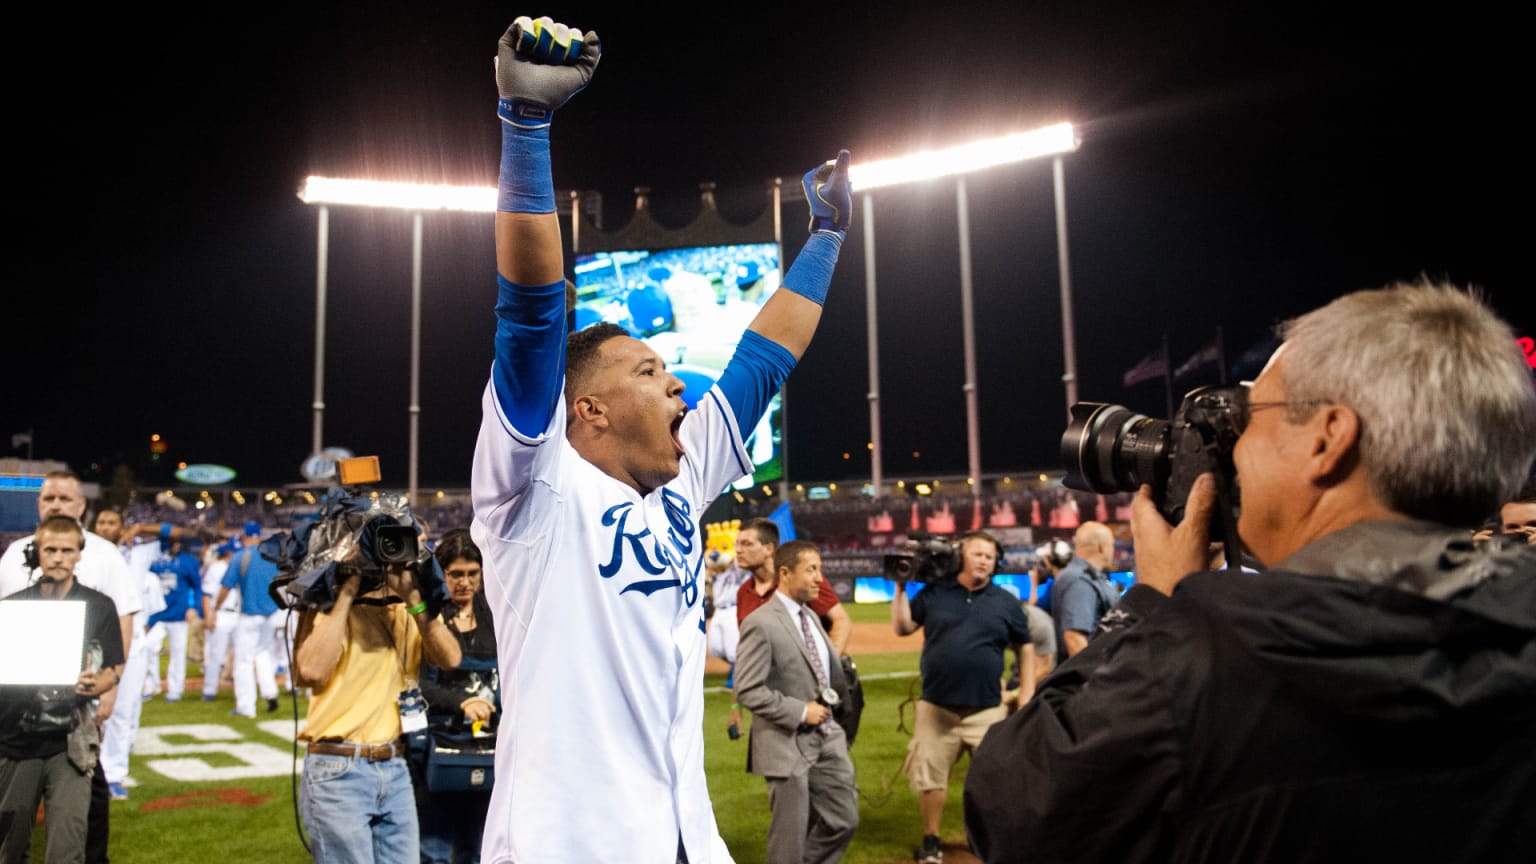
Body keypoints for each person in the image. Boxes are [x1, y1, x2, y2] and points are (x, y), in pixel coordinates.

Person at [965, 282, 1536, 863]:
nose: (1233, 447)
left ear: (1328, 439)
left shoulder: (1209, 663)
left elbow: (1013, 812)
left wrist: (1150, 602)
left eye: (1250, 415)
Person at [468, 15, 851, 863]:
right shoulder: (533, 492)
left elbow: (762, 362)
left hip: (684, 835)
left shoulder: (681, 481)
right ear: (589, 412)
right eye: (647, 372)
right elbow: (531, 314)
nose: (676, 381)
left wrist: (825, 239)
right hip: (565, 845)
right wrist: (525, 128)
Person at [292, 511, 462, 863]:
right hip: (339, 768)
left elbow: (450, 658)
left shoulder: (408, 609)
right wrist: (347, 589)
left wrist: (413, 598)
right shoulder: (331, 608)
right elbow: (310, 671)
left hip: (395, 766)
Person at [889, 531, 1029, 864]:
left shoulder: (1005, 601)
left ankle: (985, 840)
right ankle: (932, 840)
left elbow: (1025, 643)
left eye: (990, 556)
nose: (984, 560)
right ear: (961, 555)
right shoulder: (935, 593)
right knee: (931, 780)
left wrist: (1028, 688)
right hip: (937, 708)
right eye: (978, 554)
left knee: (993, 783)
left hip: (988, 710)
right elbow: (903, 627)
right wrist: (898, 587)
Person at [0, 516, 125, 864]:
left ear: (79, 554)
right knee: (9, 850)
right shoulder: (10, 607)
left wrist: (94, 684)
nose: (57, 557)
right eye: (49, 549)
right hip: (13, 741)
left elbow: (114, 668)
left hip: (70, 744)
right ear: (36, 553)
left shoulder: (100, 606)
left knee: (67, 852)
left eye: (66, 550)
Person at [734, 541, 858, 864]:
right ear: (785, 573)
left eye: (820, 569)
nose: (820, 578)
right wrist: (801, 711)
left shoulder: (812, 618)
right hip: (784, 742)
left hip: (827, 736)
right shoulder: (761, 623)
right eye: (812, 570)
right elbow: (747, 689)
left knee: (843, 819)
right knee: (788, 838)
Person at [416, 530, 499, 864]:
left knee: (478, 847)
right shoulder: (428, 619)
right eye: (455, 574)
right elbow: (418, 684)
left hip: (489, 746)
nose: (464, 582)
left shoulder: (494, 614)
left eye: (472, 573)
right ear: (442, 573)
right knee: (433, 848)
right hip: (440, 747)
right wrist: (461, 702)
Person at [735, 519, 851, 655]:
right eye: (736, 544)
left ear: (769, 549)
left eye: (746, 544)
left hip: (805, 671)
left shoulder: (800, 579)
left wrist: (828, 664)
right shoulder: (743, 592)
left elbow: (841, 621)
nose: (738, 550)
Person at [210, 523, 283, 717]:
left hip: (249, 615)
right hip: (270, 615)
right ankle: (270, 692)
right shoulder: (272, 557)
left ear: (244, 537)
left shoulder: (241, 556)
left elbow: (226, 586)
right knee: (264, 655)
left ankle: (246, 707)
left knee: (243, 661)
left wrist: (216, 608)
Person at [1048, 520, 1117, 658]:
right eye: (1112, 545)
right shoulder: (1079, 580)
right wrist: (1095, 678)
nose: (1114, 550)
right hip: (1093, 674)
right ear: (1101, 547)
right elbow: (1074, 638)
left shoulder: (1085, 576)